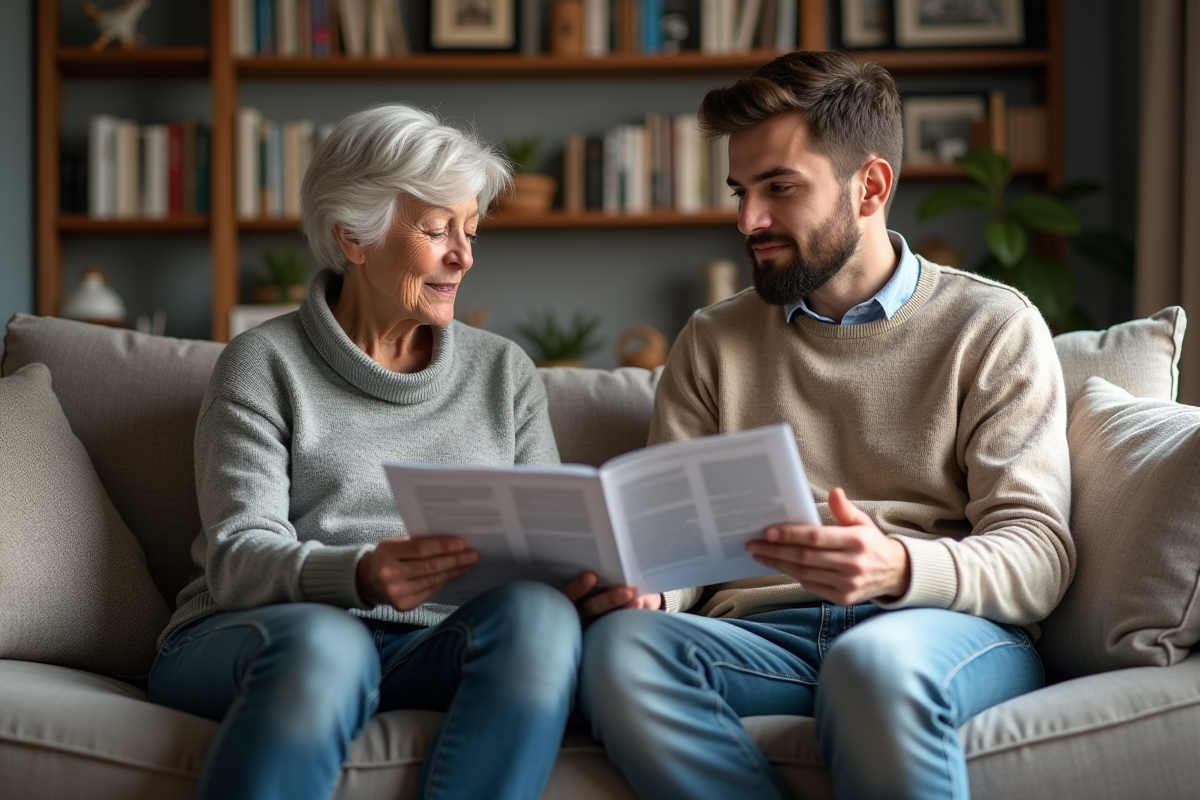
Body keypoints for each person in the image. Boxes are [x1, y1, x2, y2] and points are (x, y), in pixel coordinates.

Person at [574, 50, 1074, 800]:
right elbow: (675, 547)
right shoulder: (712, 340)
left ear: (870, 186)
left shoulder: (992, 327)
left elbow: (1039, 554)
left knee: (872, 668)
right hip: (759, 635)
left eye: (779, 188)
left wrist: (896, 566)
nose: (748, 220)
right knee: (619, 649)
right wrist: (652, 591)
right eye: (741, 191)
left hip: (932, 624)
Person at [147, 104, 582, 800]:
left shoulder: (505, 373)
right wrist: (360, 575)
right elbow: (236, 559)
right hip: (260, 633)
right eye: (437, 230)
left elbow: (545, 546)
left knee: (542, 621)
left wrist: (586, 575)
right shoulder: (262, 364)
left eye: (470, 230)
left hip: (429, 643)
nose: (463, 256)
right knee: (332, 645)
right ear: (352, 236)